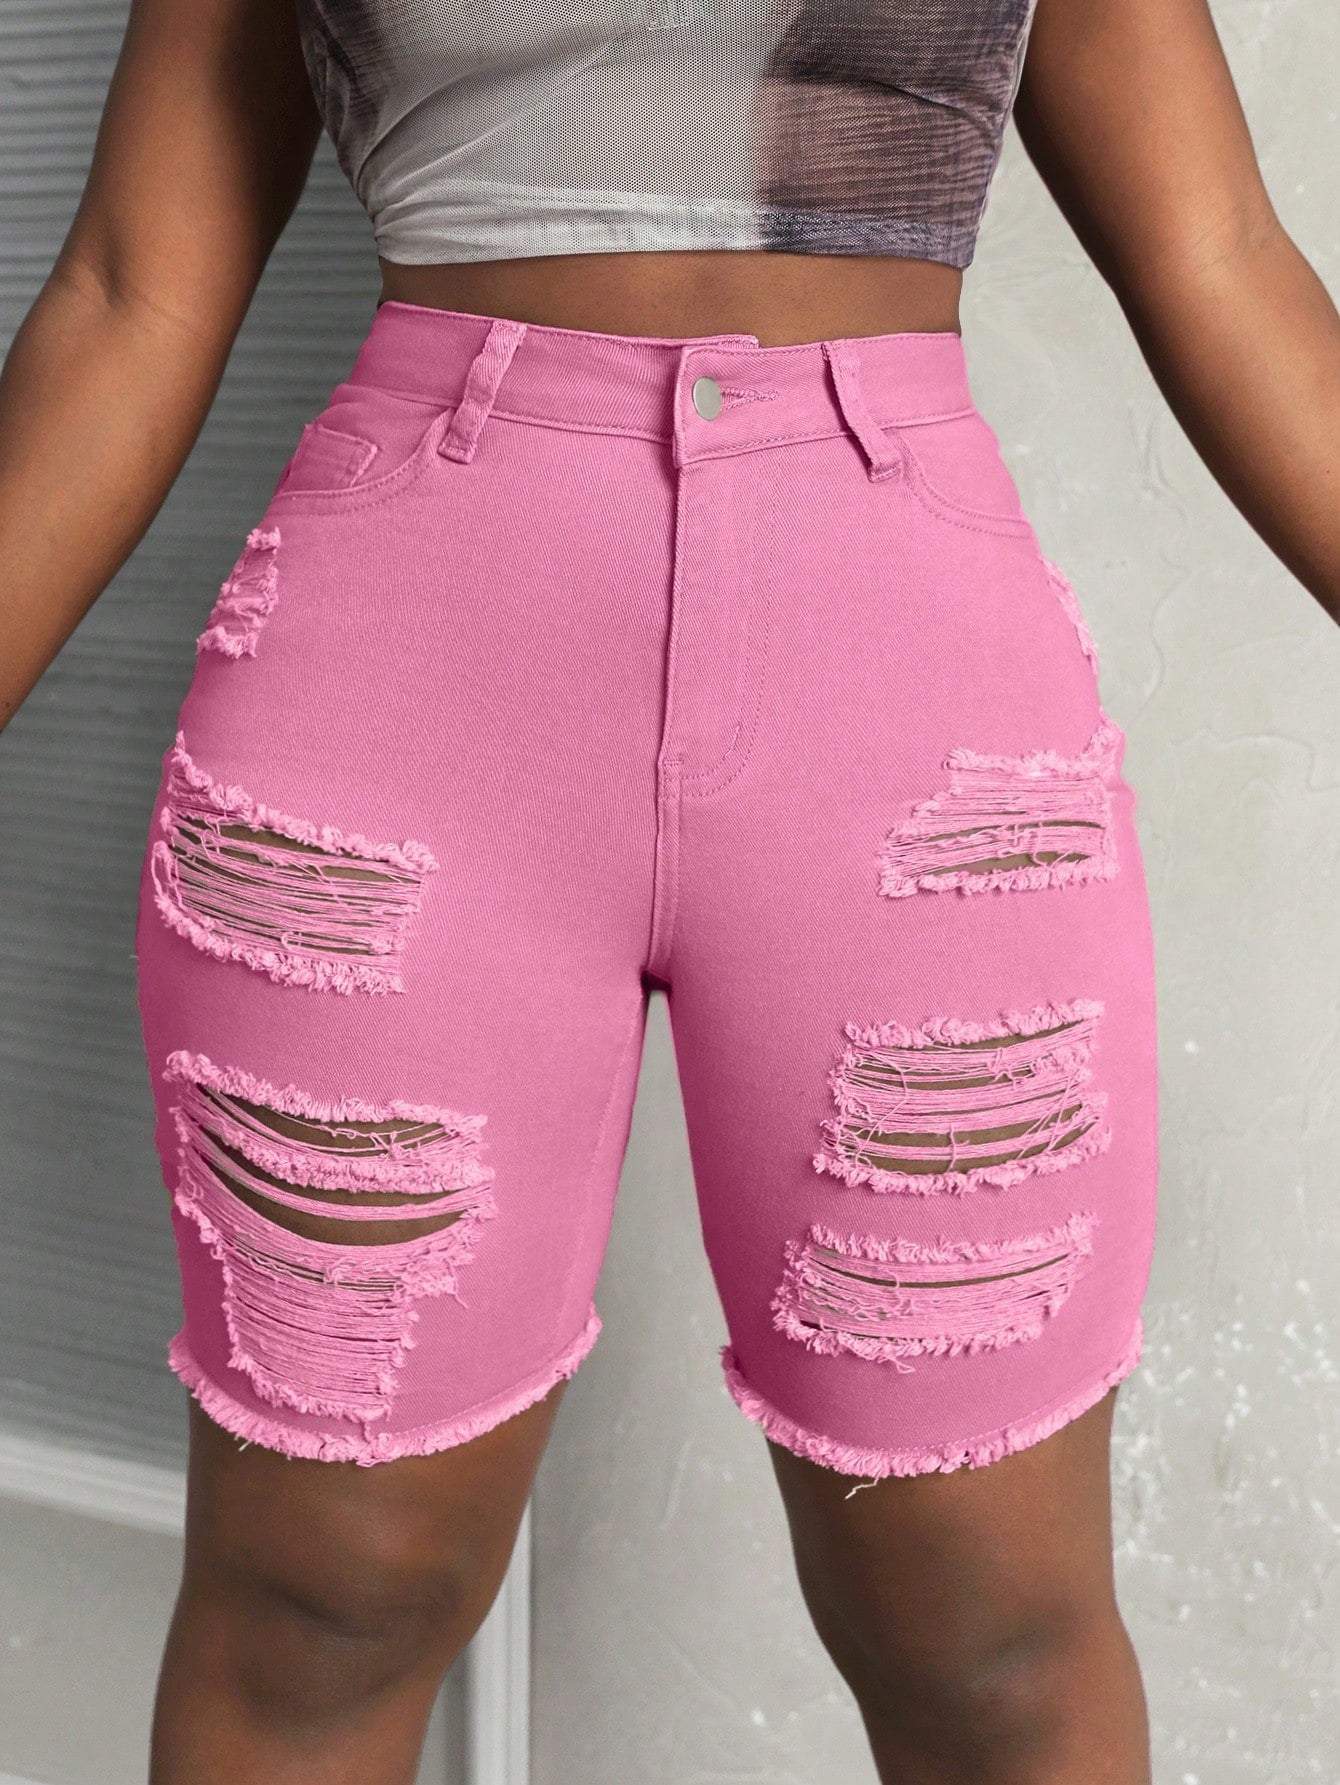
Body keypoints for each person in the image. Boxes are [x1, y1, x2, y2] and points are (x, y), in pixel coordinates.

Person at [1, 1, 1336, 1779]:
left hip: (909, 728)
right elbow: (128, 291)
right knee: (323, 1596)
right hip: (401, 704)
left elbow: (1222, 252)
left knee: (987, 1632)